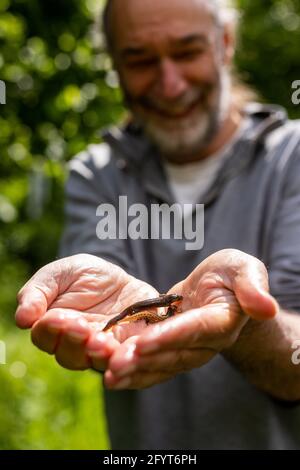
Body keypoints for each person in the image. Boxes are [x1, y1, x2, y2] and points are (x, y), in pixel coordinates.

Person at [16, 0, 300, 450]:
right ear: (115, 65)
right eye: (141, 59)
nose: (169, 84)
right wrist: (103, 318)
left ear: (225, 45)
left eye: (187, 52)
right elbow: (105, 315)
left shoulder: (293, 158)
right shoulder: (96, 174)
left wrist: (244, 321)